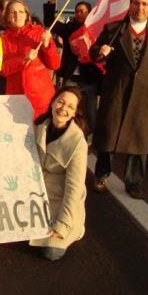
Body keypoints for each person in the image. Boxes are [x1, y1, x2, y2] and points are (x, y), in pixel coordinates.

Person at [90, 0, 148, 199]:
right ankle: (102, 174)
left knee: (140, 140)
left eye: (145, 4)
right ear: (130, 5)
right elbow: (94, 53)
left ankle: (134, 182)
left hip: (144, 97)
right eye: (136, 3)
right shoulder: (113, 30)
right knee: (108, 137)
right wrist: (99, 53)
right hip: (116, 94)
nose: (140, 7)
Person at [30, 85, 88, 261]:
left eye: (70, 107)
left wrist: (62, 226)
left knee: (51, 253)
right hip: (35, 192)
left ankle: (77, 228)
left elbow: (74, 188)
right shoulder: (38, 126)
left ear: (75, 113)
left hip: (59, 197)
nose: (63, 108)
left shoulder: (78, 143)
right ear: (53, 103)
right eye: (60, 102)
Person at [43, 0, 102, 131]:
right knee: (66, 106)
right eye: (77, 11)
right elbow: (50, 22)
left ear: (89, 13)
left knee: (90, 110)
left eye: (82, 11)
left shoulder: (96, 29)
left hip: (89, 78)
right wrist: (52, 2)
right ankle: (64, 131)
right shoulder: (70, 28)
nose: (79, 14)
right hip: (71, 76)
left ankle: (91, 136)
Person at [1, 0, 61, 118]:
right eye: (13, 12)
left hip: (40, 96)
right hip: (15, 97)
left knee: (41, 132)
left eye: (21, 12)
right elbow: (2, 69)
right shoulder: (3, 38)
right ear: (7, 16)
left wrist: (47, 45)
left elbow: (55, 65)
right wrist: (23, 59)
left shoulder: (38, 32)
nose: (17, 15)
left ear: (26, 15)